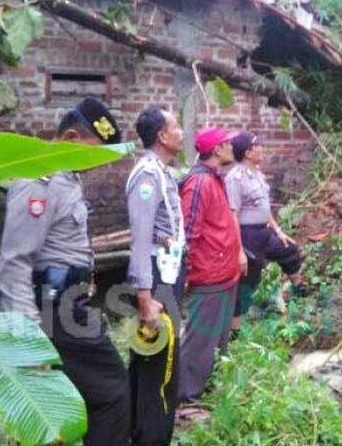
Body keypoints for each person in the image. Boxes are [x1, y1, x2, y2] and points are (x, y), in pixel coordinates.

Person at [0, 98, 129, 445]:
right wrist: (27, 344)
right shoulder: (38, 181)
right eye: (94, 153)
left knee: (77, 396)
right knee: (111, 390)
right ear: (71, 138)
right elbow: (15, 262)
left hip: (69, 304)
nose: (96, 164)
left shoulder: (66, 177)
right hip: (53, 312)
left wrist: (84, 277)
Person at [126, 106, 185, 445]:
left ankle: (138, 429)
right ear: (162, 136)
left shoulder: (162, 172)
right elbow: (140, 238)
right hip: (157, 279)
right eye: (176, 126)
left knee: (150, 358)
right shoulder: (147, 175)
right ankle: (152, 436)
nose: (181, 132)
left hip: (167, 273)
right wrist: (145, 299)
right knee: (162, 364)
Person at [177, 127, 245, 420]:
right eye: (228, 143)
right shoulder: (199, 183)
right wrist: (188, 274)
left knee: (217, 338)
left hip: (223, 273)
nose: (232, 146)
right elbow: (189, 233)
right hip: (208, 274)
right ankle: (186, 401)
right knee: (200, 339)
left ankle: (206, 390)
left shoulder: (215, 179)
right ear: (217, 150)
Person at [225, 131, 306, 331]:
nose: (263, 149)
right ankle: (234, 335)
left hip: (264, 231)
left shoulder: (258, 174)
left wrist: (278, 230)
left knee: (289, 250)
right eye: (258, 146)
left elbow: (264, 208)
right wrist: (238, 250)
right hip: (248, 235)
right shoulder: (234, 178)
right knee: (247, 283)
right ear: (248, 153)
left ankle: (301, 293)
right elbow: (232, 214)